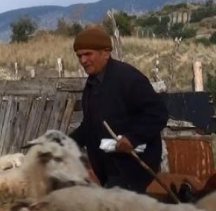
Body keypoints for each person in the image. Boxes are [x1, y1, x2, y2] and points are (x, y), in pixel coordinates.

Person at [69, 26, 169, 194]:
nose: (83, 60)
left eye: (88, 54)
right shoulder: (92, 85)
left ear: (106, 52)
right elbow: (90, 126)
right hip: (109, 166)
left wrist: (133, 137)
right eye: (79, 56)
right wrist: (63, 143)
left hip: (133, 165)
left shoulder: (128, 79)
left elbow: (158, 113)